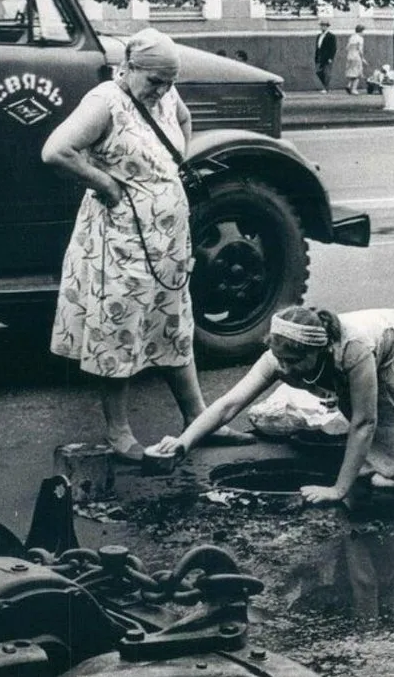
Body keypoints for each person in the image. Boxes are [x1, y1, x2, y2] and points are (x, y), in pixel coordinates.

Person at [43, 28, 254, 462]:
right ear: (129, 69)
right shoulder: (105, 101)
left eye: (169, 81)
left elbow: (183, 121)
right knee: (119, 327)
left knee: (175, 322)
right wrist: (106, 183)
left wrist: (170, 172)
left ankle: (198, 417)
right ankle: (119, 432)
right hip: (121, 238)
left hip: (168, 239)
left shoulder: (166, 95)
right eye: (155, 81)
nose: (162, 91)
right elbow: (56, 151)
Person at [152, 306, 394, 504]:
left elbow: (365, 422)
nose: (284, 370)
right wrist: (183, 442)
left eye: (293, 363)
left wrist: (338, 489)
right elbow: (229, 403)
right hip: (387, 350)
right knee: (390, 453)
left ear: (317, 351)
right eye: (279, 360)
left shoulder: (351, 349)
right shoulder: (281, 354)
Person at [314, 20, 337, 94]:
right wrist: (316, 56)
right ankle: (325, 85)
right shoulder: (319, 36)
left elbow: (333, 48)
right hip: (320, 56)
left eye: (324, 26)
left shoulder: (331, 36)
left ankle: (326, 88)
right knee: (318, 71)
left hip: (327, 57)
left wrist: (331, 57)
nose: (322, 27)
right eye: (321, 25)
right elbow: (318, 47)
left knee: (326, 72)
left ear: (327, 27)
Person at [344, 24, 367, 95]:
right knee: (358, 73)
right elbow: (360, 50)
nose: (364, 33)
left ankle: (349, 85)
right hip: (356, 56)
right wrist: (363, 58)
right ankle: (354, 89)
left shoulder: (352, 37)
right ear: (361, 31)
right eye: (363, 31)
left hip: (349, 56)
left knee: (351, 72)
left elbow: (346, 48)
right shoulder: (360, 39)